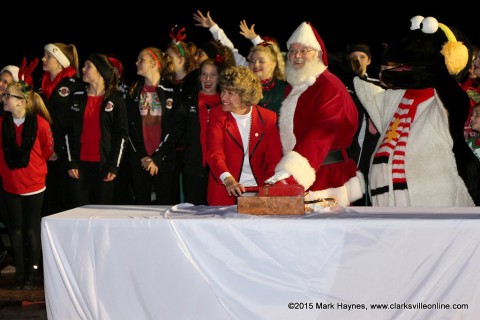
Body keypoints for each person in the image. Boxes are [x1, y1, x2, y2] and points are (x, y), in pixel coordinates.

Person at [265, 22, 364, 210]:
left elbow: (319, 134)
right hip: (305, 173)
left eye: (304, 50)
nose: (297, 56)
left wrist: (289, 173)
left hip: (327, 177)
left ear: (318, 54)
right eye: (293, 51)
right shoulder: (294, 87)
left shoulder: (329, 86)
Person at [0, 60, 54, 289]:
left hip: (33, 185)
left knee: (31, 230)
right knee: (16, 230)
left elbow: (47, 149)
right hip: (11, 184)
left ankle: (34, 272)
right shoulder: (2, 124)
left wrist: (34, 169)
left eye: (8, 96)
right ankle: (20, 272)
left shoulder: (40, 124)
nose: (3, 99)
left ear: (21, 102)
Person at [207, 65, 283, 205]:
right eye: (222, 91)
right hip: (225, 189)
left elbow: (274, 157)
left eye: (230, 93)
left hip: (259, 190)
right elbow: (215, 154)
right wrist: (228, 180)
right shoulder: (217, 115)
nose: (223, 96)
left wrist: (270, 186)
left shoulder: (267, 118)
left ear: (245, 95)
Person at [65, 54, 128, 207]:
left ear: (100, 71)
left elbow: (122, 135)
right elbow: (67, 132)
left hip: (104, 166)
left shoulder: (116, 99)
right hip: (79, 167)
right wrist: (71, 162)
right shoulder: (76, 97)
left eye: (88, 66)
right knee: (79, 213)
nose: (83, 69)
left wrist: (114, 165)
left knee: (102, 213)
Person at [126, 47, 186, 205]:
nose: (136, 62)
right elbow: (129, 128)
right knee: (140, 209)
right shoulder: (133, 92)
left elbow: (176, 130)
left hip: (164, 161)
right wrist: (143, 156)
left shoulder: (172, 92)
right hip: (140, 160)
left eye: (141, 60)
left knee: (165, 209)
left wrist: (157, 158)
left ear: (154, 63)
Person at [38, 43, 84, 215]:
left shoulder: (75, 85)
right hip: (45, 153)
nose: (43, 59)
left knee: (71, 203)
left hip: (68, 154)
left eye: (48, 56)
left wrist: (58, 149)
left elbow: (73, 124)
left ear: (60, 62)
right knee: (50, 204)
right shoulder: (39, 85)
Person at [182, 58, 233, 205]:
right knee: (192, 209)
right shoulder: (189, 101)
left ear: (219, 77)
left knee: (217, 210)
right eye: (204, 74)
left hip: (220, 167)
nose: (208, 79)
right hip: (194, 166)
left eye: (213, 74)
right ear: (199, 77)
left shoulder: (226, 102)